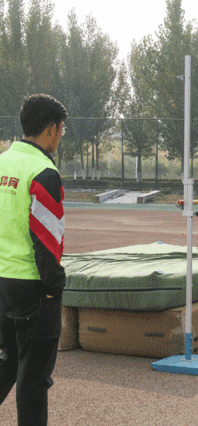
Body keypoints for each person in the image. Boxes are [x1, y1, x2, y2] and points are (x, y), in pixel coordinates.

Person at [0, 94, 68, 424]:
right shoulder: (43, 171)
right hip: (32, 286)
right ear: (52, 129)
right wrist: (55, 286)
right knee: (34, 379)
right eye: (62, 129)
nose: (61, 135)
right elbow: (46, 241)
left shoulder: (3, 162)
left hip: (1, 282)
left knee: (6, 363)